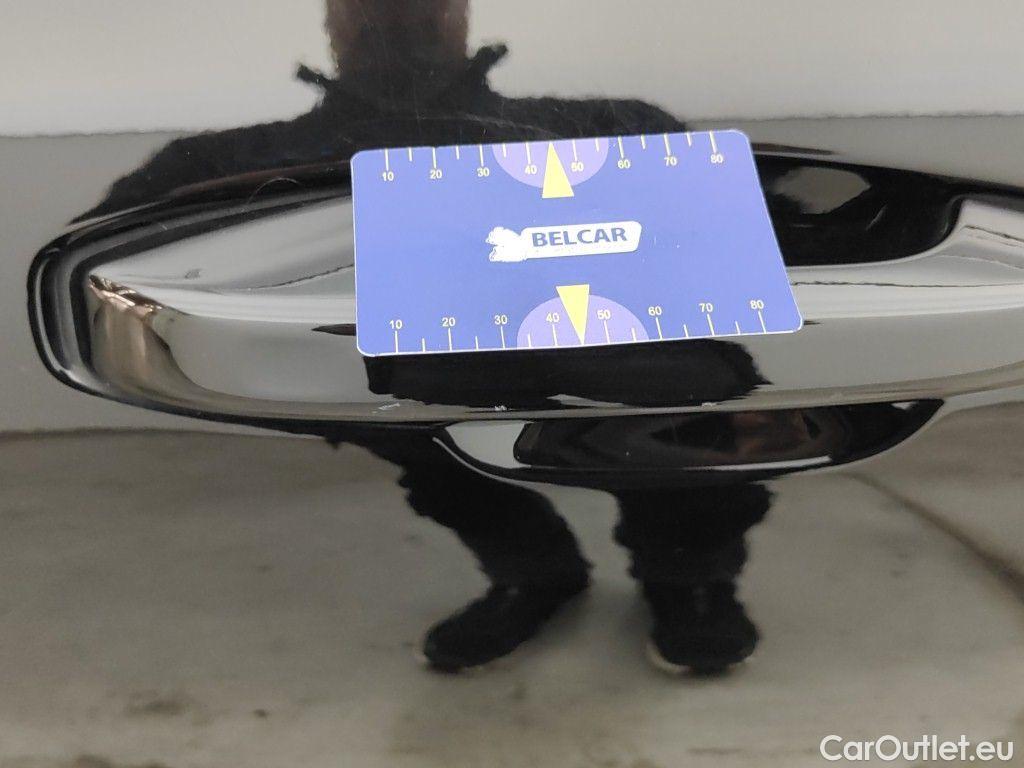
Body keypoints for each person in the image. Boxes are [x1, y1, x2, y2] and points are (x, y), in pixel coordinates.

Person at [82, 0, 776, 674]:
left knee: (683, 452)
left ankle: (691, 582)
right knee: (453, 479)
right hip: (409, 389)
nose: (399, 10)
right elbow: (100, 260)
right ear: (329, 17)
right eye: (367, 0)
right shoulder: (234, 161)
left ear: (464, 12)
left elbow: (740, 243)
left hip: (626, 370)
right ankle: (536, 575)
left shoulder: (617, 130)